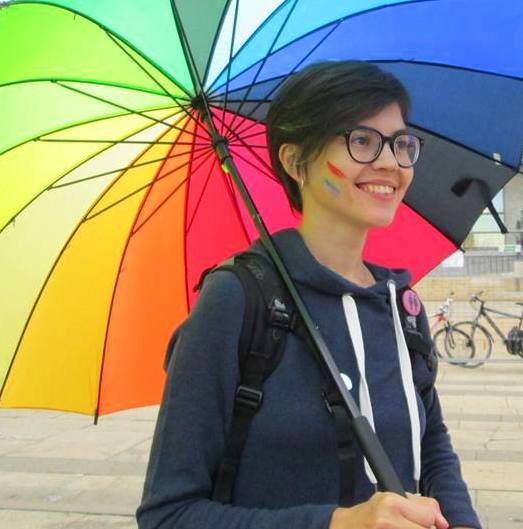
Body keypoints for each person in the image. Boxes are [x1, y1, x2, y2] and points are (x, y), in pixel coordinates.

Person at [137, 61, 481, 529]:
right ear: (296, 161)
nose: (391, 163)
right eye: (363, 141)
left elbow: (432, 447)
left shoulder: (401, 306)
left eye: (401, 144)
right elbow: (169, 514)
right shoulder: (236, 301)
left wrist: (461, 521)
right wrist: (338, 523)